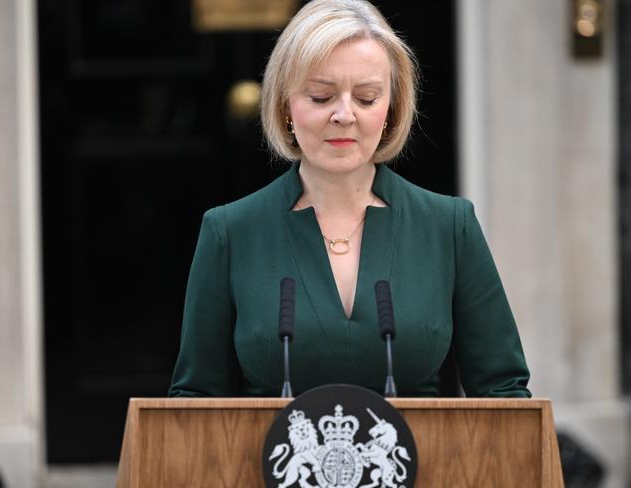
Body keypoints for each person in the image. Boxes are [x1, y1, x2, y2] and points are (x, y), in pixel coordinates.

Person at [169, 0, 531, 398]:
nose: (344, 115)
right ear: (285, 106)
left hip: (426, 461)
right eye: (322, 97)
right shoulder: (230, 232)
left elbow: (503, 393)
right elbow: (195, 404)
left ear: (391, 109)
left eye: (366, 97)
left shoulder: (448, 226)